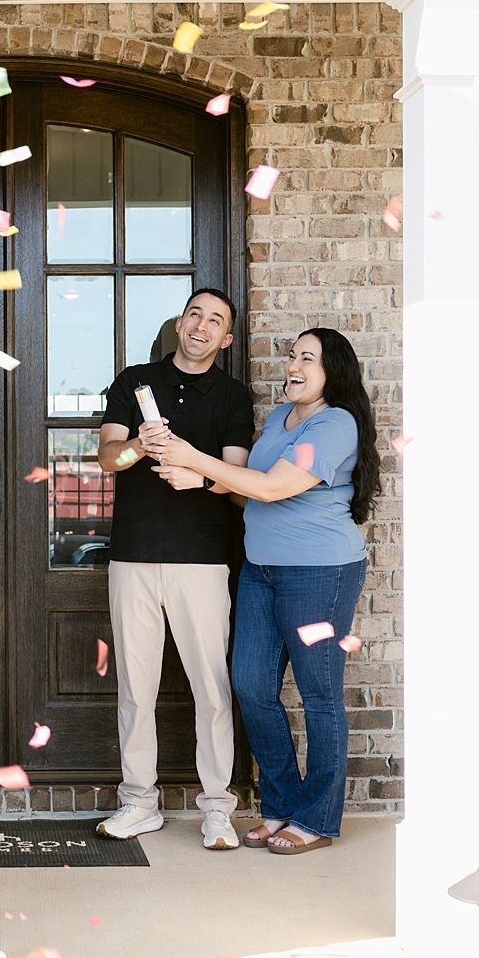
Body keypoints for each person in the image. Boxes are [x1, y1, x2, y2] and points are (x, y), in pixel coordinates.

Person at [145, 327, 378, 855]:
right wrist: (206, 481)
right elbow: (248, 489)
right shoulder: (279, 418)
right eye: (292, 355)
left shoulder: (335, 423)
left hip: (320, 573)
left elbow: (273, 487)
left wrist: (192, 456)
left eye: (307, 358)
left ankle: (316, 819)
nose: (293, 365)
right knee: (250, 686)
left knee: (319, 695)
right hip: (262, 569)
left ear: (333, 371)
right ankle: (280, 805)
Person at [93, 288, 254, 851]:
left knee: (211, 687)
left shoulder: (233, 397)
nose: (201, 326)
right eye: (194, 315)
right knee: (136, 689)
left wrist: (198, 475)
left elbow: (237, 481)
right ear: (180, 323)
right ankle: (139, 802)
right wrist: (141, 444)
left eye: (215, 321)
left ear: (225, 339)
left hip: (204, 560)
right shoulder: (135, 382)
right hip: (133, 555)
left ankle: (218, 808)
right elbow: (109, 459)